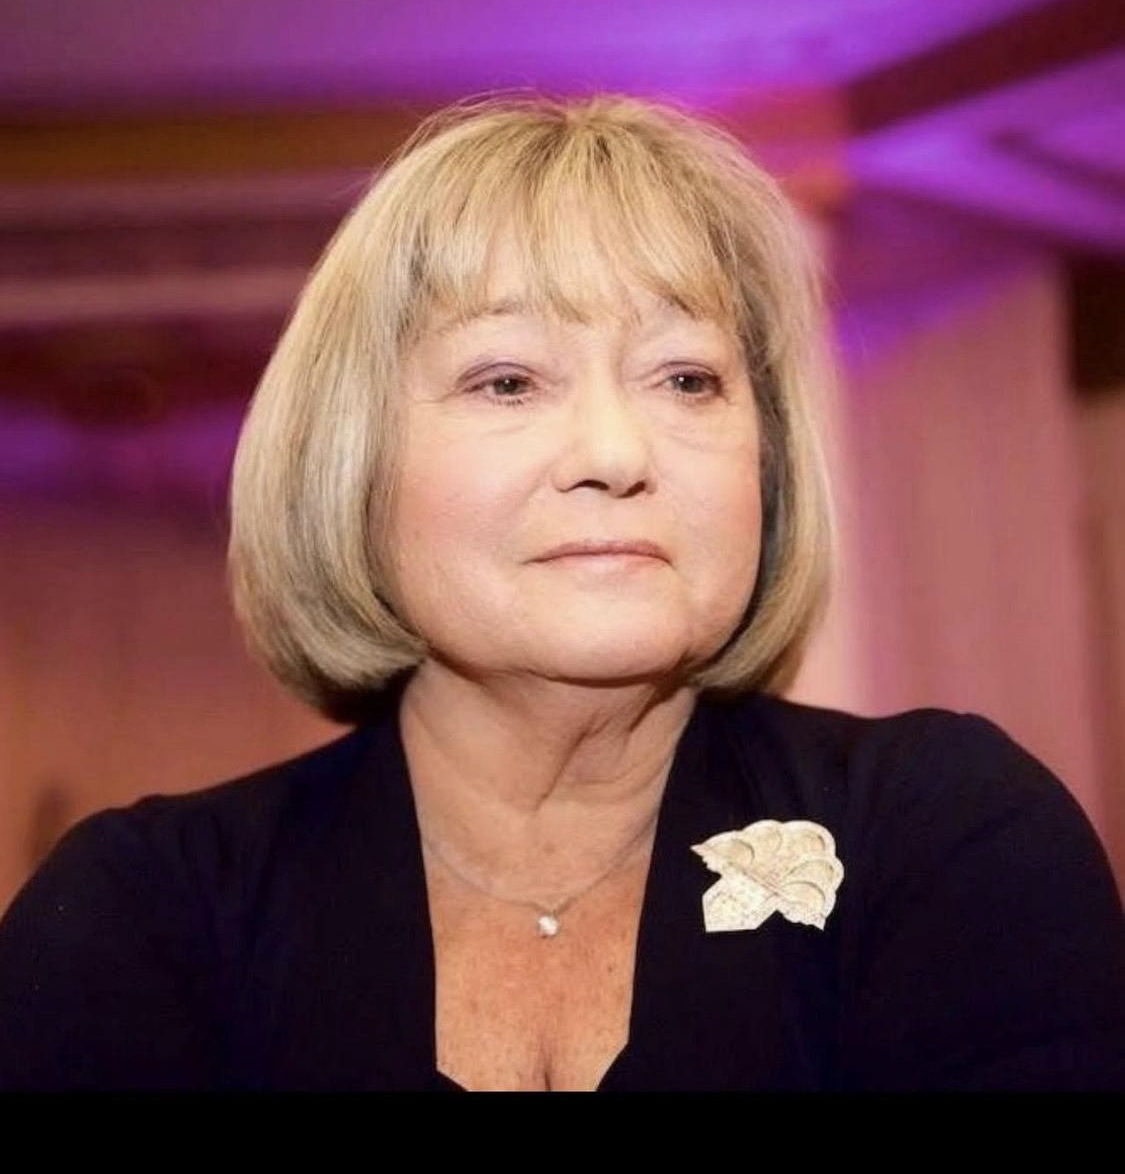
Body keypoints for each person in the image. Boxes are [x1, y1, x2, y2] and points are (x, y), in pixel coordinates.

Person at [0, 94, 1122, 1092]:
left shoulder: (939, 833)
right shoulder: (146, 913)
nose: (614, 452)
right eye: (507, 380)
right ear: (355, 463)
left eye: (686, 377)